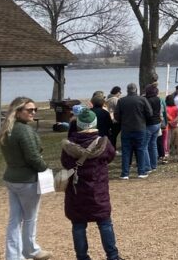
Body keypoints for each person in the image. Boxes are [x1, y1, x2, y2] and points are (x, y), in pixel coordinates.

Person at [60, 109, 123, 260]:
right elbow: (110, 156)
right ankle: (112, 255)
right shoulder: (103, 143)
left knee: (78, 225)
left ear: (79, 125)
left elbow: (65, 163)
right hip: (98, 190)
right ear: (95, 124)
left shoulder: (69, 146)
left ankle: (82, 256)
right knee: (105, 223)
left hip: (76, 191)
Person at [0, 97, 53, 260]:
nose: (33, 112)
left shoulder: (7, 129)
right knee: (30, 218)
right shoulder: (24, 131)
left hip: (11, 179)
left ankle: (13, 256)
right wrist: (47, 170)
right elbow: (33, 157)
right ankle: (31, 250)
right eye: (29, 110)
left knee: (15, 219)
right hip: (26, 180)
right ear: (18, 111)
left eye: (35, 109)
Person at [115, 83, 153, 179]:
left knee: (126, 151)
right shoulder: (142, 99)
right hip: (140, 128)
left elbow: (116, 116)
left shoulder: (121, 101)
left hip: (126, 128)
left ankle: (125, 173)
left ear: (127, 90)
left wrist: (122, 121)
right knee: (140, 150)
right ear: (136, 90)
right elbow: (150, 113)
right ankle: (141, 172)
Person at [143, 84, 162, 172]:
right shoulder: (158, 99)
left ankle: (147, 167)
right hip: (157, 123)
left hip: (149, 124)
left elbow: (146, 112)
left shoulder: (147, 100)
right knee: (153, 144)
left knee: (144, 146)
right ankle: (154, 165)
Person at [163, 95, 178, 160]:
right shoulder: (176, 107)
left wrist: (170, 121)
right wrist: (174, 121)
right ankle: (176, 150)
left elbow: (166, 115)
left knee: (168, 138)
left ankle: (167, 151)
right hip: (175, 124)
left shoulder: (166, 108)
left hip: (168, 124)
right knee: (175, 137)